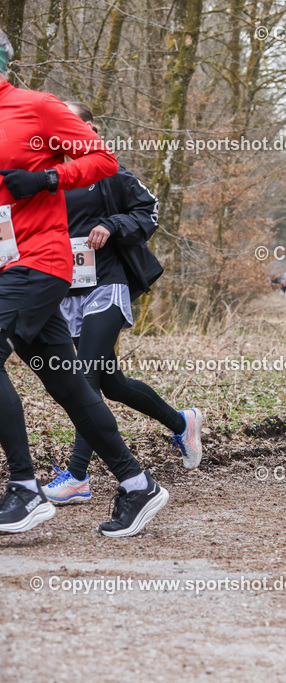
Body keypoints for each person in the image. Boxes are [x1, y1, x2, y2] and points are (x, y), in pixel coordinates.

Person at [0, 30, 168, 535]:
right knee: (68, 382)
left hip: (38, 261)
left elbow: (102, 161)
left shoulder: (37, 107)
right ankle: (137, 484)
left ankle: (25, 489)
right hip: (4, 265)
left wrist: (49, 179)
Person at [39, 101, 202, 505]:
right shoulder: (50, 175)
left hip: (107, 284)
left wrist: (111, 225)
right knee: (110, 383)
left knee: (84, 376)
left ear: (89, 127)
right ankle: (181, 422)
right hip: (67, 292)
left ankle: (78, 475)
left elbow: (149, 211)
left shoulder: (106, 170)